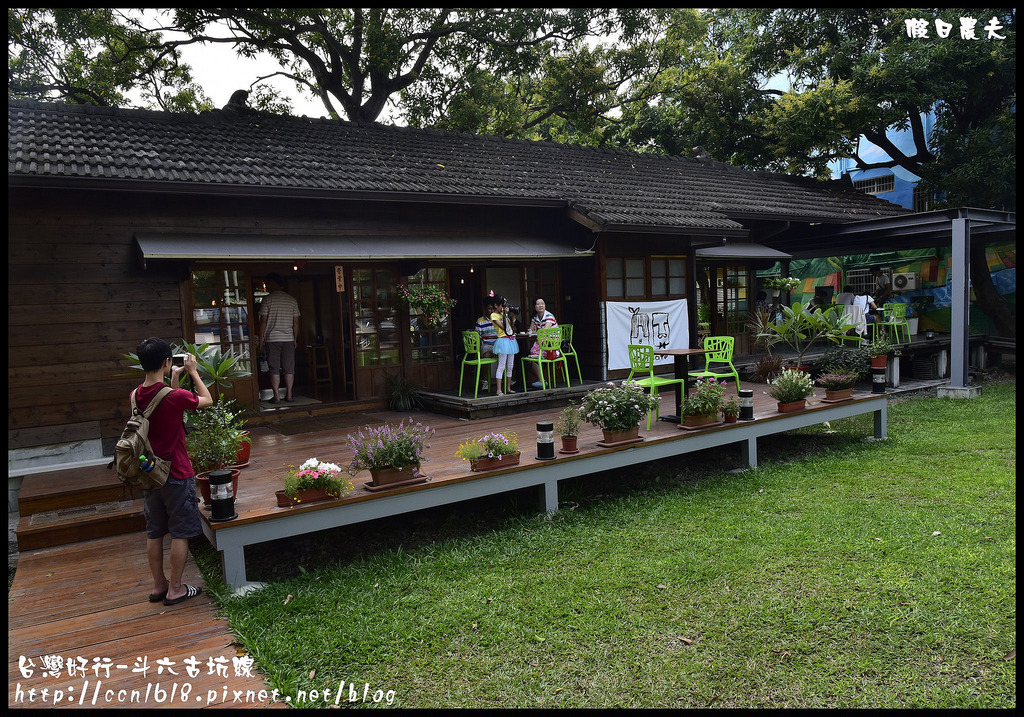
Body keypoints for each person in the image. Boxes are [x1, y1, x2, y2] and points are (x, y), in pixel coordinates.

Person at [133, 337, 213, 606]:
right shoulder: (173, 396)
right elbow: (207, 399)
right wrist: (192, 371)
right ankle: (176, 589)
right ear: (167, 362)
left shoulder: (134, 395)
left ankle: (159, 586)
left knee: (154, 531)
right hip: (177, 472)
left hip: (150, 472)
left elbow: (166, 409)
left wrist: (174, 379)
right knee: (180, 532)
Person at [258, 273, 301, 403]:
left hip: (272, 338)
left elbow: (263, 321)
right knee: (289, 368)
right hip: (288, 338)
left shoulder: (267, 300)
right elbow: (296, 322)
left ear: (274, 283)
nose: (267, 286)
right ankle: (289, 394)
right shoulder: (291, 300)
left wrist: (261, 339)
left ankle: (276, 396)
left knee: (274, 368)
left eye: (268, 283)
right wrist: (295, 338)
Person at [490, 293, 519, 396]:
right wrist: (504, 315)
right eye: (502, 305)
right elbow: (503, 327)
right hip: (502, 341)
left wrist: (513, 318)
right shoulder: (494, 315)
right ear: (496, 306)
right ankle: (499, 390)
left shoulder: (505, 314)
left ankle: (508, 388)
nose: (504, 308)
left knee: (510, 366)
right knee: (501, 366)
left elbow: (511, 328)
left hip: (511, 340)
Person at [526, 297, 558, 389]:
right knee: (530, 358)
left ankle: (541, 380)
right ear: (534, 307)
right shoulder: (535, 317)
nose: (541, 306)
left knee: (533, 357)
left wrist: (534, 332)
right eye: (538, 304)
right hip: (541, 342)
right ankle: (542, 380)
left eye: (542, 303)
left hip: (551, 344)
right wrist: (531, 332)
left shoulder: (549, 316)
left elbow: (544, 332)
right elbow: (531, 330)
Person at [474, 297, 498, 392]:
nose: (491, 310)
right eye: (489, 308)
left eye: (493, 308)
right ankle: (485, 381)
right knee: (485, 356)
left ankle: (509, 379)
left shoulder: (498, 319)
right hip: (487, 345)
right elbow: (476, 335)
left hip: (498, 344)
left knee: (507, 354)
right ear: (485, 309)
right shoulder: (480, 321)